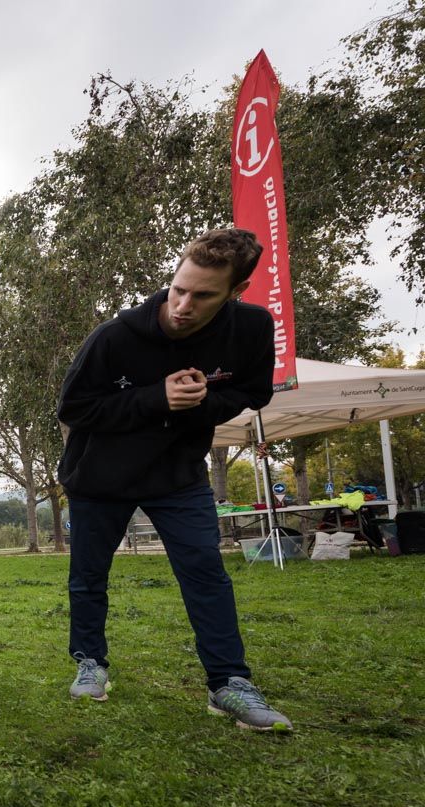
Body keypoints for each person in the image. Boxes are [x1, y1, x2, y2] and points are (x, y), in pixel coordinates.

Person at [58, 227, 290, 731]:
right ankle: (90, 662)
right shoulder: (115, 337)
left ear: (235, 293)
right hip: (99, 477)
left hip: (177, 476)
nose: (183, 304)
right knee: (89, 578)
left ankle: (228, 683)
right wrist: (154, 398)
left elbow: (255, 393)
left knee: (206, 572)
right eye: (179, 288)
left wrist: (206, 400)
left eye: (203, 295)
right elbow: (72, 407)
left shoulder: (249, 329)